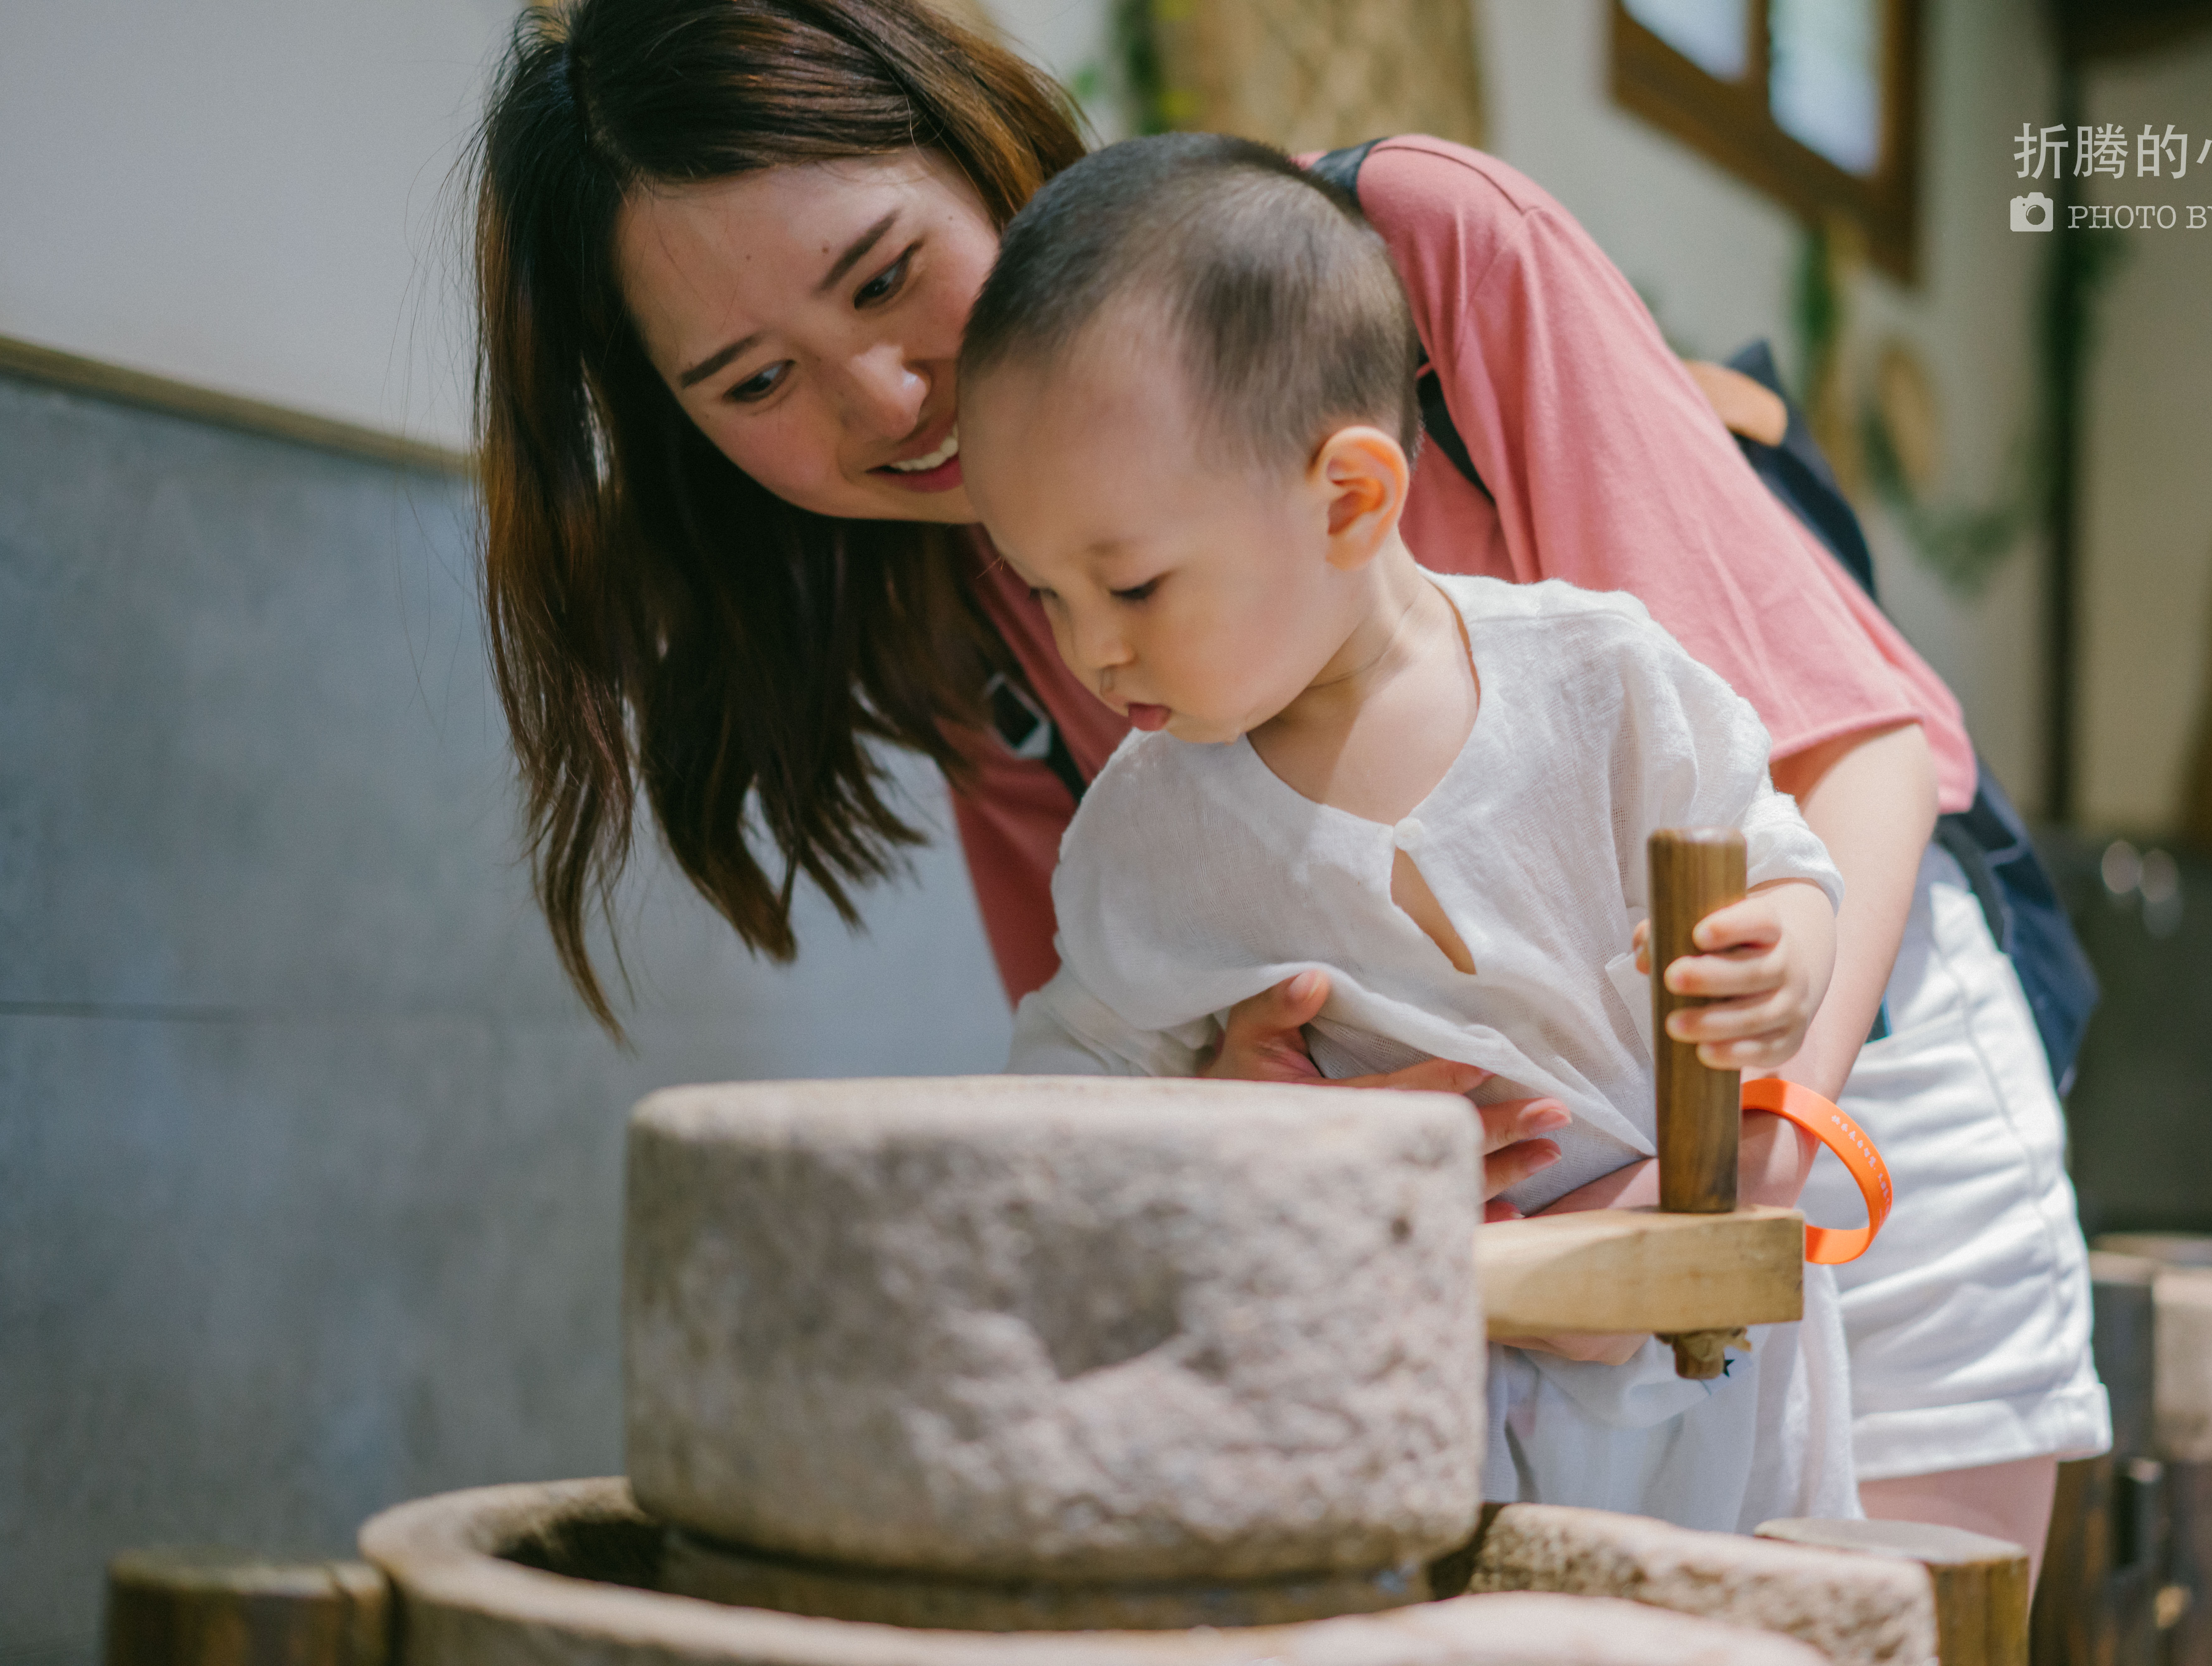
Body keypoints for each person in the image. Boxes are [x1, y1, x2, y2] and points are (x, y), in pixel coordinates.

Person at [472, 0, 2104, 1570]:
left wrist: (1743, 1150)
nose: (888, 398)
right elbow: (1111, 1055)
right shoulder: (967, 627)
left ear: (974, 141)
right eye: (756, 382)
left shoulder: (1417, 253)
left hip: (1832, 1062)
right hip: (1492, 1272)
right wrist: (1242, 1125)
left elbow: (1851, 748)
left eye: (888, 275)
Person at [957, 132, 1853, 1527]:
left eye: (1129, 586)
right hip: (1389, 1411)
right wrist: (1207, 1125)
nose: (1087, 653)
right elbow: (1066, 1101)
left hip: (1703, 1359)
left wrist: (1783, 947)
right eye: (1048, 597)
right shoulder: (1141, 836)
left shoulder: (1597, 677)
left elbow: (1775, 846)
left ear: (1349, 498)